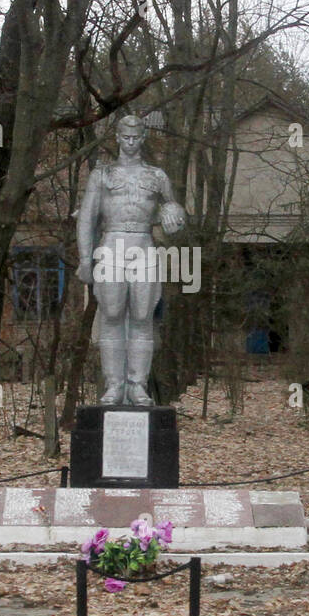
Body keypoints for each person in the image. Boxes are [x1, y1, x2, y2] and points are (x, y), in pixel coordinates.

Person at [76, 115, 186, 405]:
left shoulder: (157, 176)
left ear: (143, 137)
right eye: (125, 136)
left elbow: (171, 209)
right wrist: (86, 259)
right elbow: (86, 219)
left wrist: (175, 215)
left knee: (142, 316)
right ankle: (114, 385)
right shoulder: (102, 175)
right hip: (111, 244)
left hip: (143, 244)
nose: (130, 142)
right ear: (117, 137)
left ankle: (137, 385)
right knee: (111, 314)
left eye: (136, 137)